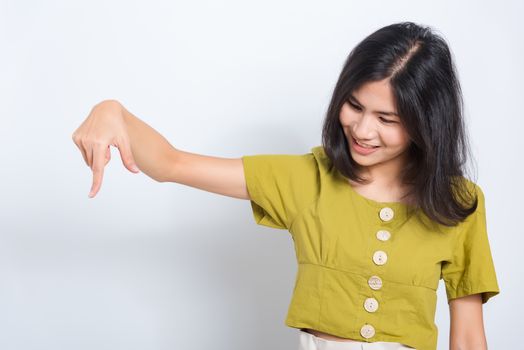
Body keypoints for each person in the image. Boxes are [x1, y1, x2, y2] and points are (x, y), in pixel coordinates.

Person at [71, 22, 500, 350]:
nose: (363, 129)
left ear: (427, 123)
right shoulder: (307, 178)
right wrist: (113, 112)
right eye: (354, 105)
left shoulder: (459, 203)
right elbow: (171, 164)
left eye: (387, 119)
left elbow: (467, 339)